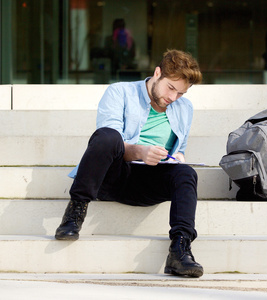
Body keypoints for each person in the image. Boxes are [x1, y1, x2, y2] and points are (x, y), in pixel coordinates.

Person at [55, 49, 204, 278]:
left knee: (186, 173)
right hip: (113, 176)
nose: (173, 98)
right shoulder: (120, 92)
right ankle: (75, 211)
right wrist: (140, 151)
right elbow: (108, 146)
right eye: (171, 88)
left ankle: (180, 249)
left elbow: (179, 149)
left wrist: (177, 159)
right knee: (107, 136)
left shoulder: (185, 108)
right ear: (157, 73)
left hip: (148, 181)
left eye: (181, 93)